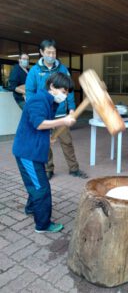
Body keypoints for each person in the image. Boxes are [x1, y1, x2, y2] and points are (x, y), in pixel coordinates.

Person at [13, 72, 76, 232]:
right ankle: (43, 224)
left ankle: (31, 208)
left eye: (67, 93)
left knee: (36, 184)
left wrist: (48, 137)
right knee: (42, 188)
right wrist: (64, 121)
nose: (64, 96)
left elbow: (40, 126)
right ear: (53, 87)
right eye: (63, 91)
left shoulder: (50, 102)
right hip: (28, 153)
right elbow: (39, 123)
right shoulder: (38, 100)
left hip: (34, 150)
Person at [25, 39, 87, 180]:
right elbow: (29, 92)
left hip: (60, 115)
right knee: (46, 143)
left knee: (67, 142)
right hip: (44, 115)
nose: (52, 55)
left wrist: (71, 109)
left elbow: (69, 90)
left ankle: (74, 168)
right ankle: (48, 169)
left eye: (54, 52)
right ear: (41, 52)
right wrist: (34, 111)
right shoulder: (35, 71)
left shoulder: (62, 69)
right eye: (48, 52)